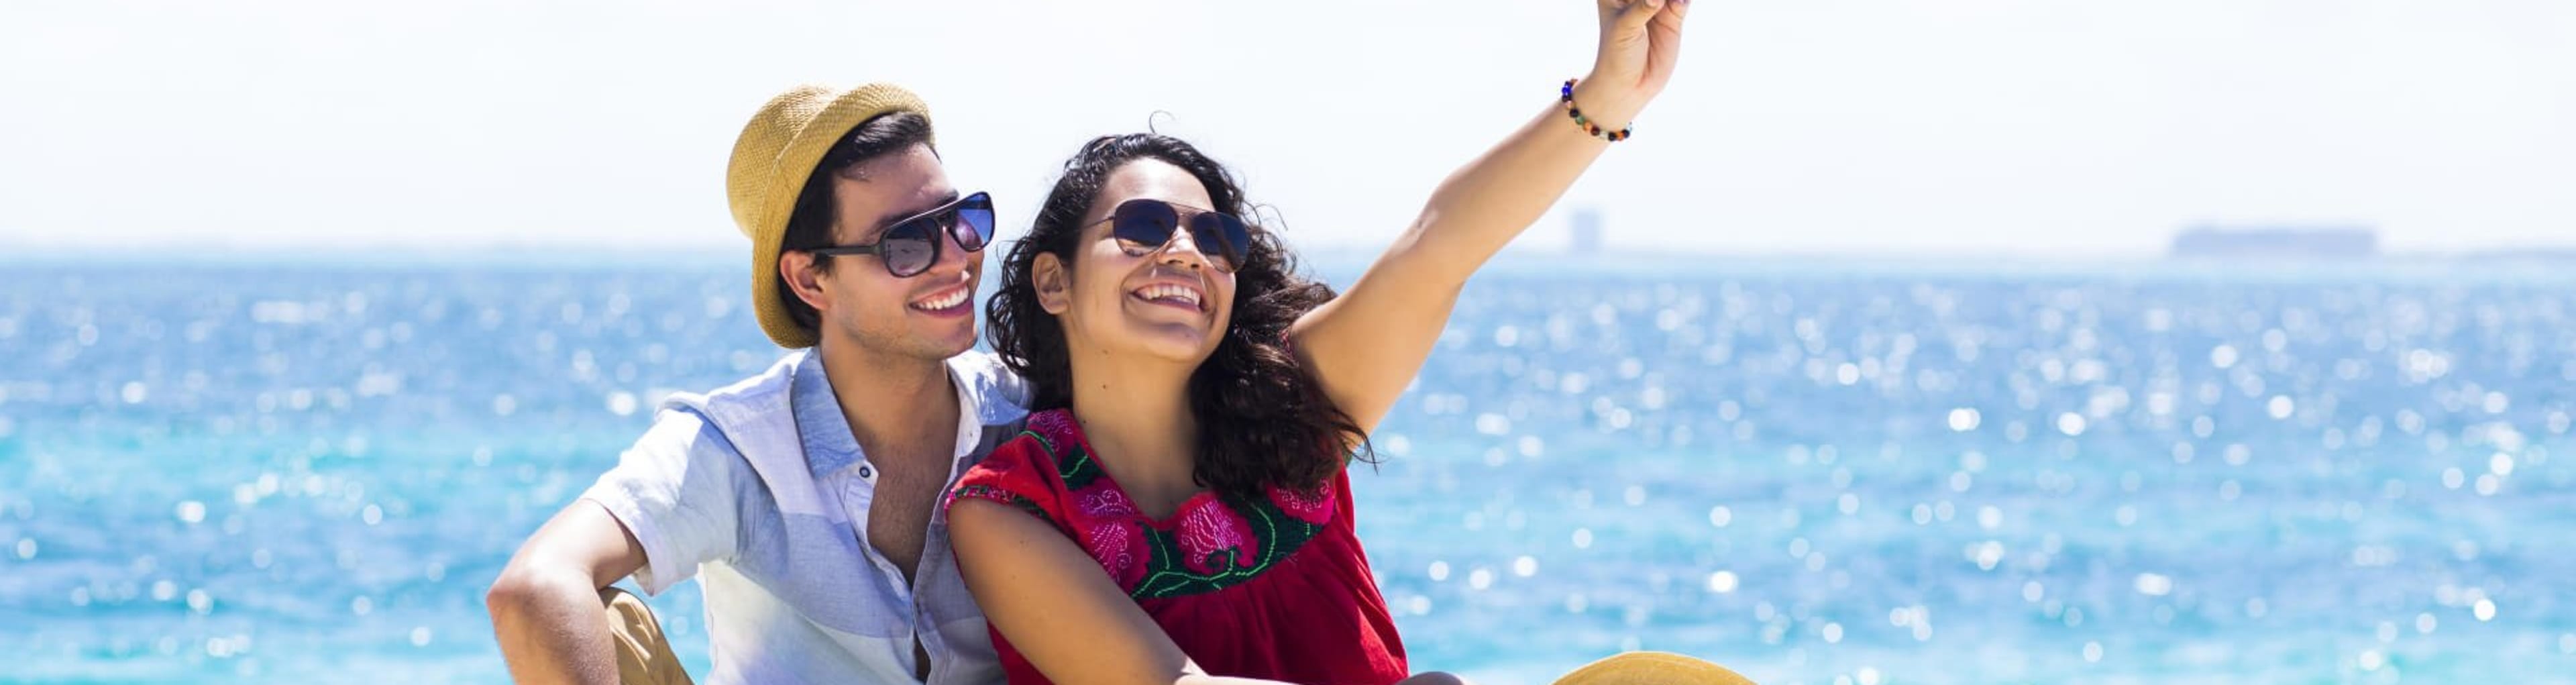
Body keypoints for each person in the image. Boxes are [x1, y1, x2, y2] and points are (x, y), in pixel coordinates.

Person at [945, 1, 1749, 684]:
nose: (1187, 252)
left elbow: (1439, 245)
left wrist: (1608, 95)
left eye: (1216, 236)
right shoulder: (1008, 508)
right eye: (1144, 226)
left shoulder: (1295, 405)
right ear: (1053, 282)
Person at [486, 83, 1030, 685]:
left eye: (959, 219)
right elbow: (532, 590)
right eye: (906, 242)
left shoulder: (1026, 414)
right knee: (607, 624)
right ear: (809, 280)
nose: (956, 257)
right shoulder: (738, 448)